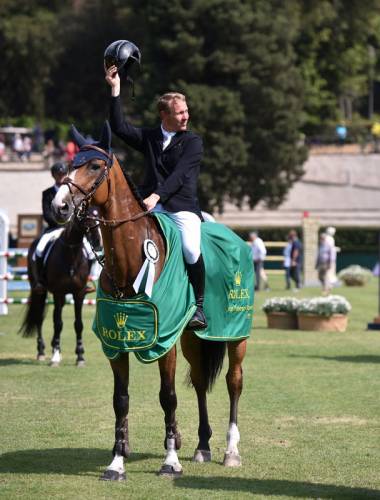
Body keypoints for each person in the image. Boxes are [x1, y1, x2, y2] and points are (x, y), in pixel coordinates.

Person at [105, 43, 207, 329]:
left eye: (186, 111)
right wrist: (115, 89)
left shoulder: (193, 142)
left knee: (189, 249)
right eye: (180, 113)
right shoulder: (150, 137)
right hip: (150, 203)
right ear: (165, 116)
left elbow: (180, 176)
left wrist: (156, 196)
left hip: (181, 207)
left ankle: (199, 308)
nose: (186, 116)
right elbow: (119, 127)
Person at [33, 162, 69, 292]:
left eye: (63, 174)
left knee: (88, 251)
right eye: (58, 174)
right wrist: (60, 223)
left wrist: (69, 225)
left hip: (70, 229)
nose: (61, 176)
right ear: (53, 175)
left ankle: (85, 279)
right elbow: (47, 213)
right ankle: (41, 281)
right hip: (54, 229)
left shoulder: (72, 192)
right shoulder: (47, 193)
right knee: (39, 249)